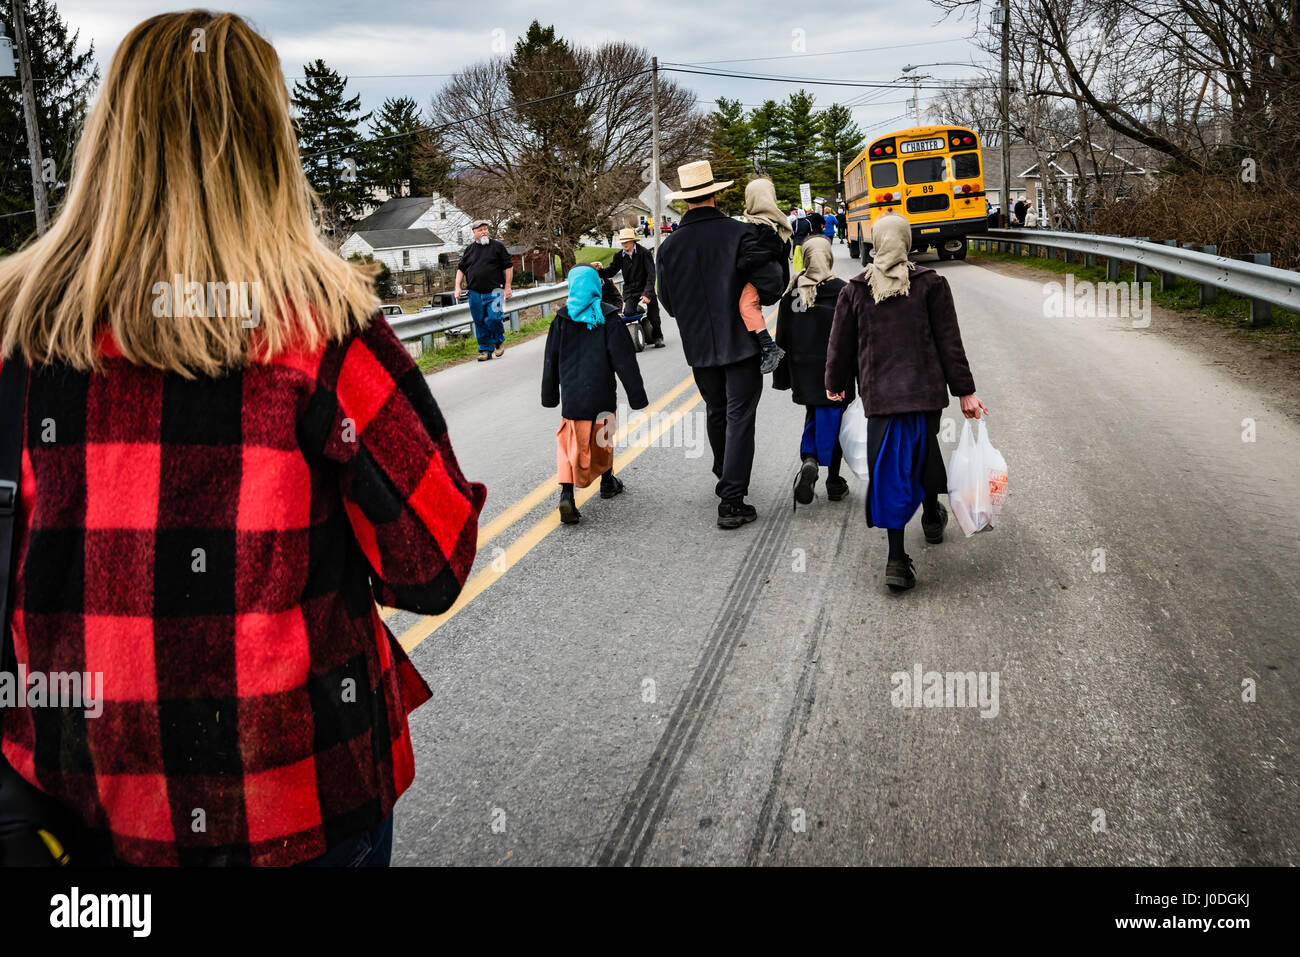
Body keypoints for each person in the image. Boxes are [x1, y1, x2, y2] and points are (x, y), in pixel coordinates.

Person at [0, 9, 486, 867]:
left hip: (78, 812)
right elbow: (432, 564)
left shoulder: (15, 334)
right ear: (267, 144)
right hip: (295, 800)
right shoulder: (318, 331)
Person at [825, 213, 986, 591]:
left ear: (876, 242)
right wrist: (965, 391)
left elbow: (841, 344)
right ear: (908, 241)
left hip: (881, 399)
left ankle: (897, 557)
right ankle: (931, 516)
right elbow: (950, 342)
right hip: (923, 395)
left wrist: (835, 383)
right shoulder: (930, 284)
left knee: (892, 471)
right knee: (923, 452)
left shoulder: (856, 289)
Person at [657, 160, 784, 529]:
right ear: (714, 193)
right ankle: (731, 500)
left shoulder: (669, 247)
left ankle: (723, 474)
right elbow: (772, 287)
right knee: (739, 417)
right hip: (741, 343)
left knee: (716, 410)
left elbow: (668, 301)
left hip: (699, 347)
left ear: (685, 202)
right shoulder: (740, 234)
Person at [541, 266, 648, 525]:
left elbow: (550, 360)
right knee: (603, 439)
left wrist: (550, 396)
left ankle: (567, 493)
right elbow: (625, 360)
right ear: (596, 286)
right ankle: (607, 481)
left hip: (573, 398)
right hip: (601, 393)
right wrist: (637, 397)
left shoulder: (562, 319)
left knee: (568, 445)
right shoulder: (608, 317)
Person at [772, 236, 850, 508]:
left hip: (803, 370)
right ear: (828, 257)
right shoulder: (844, 291)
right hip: (837, 370)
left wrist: (782, 377)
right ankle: (833, 481)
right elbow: (857, 336)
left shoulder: (793, 293)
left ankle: (810, 459)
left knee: (813, 414)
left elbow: (782, 337)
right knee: (835, 419)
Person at [737, 178, 792, 374]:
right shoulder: (777, 221)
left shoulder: (760, 226)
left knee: (746, 305)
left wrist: (741, 263)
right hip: (774, 279)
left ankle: (769, 347)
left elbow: (755, 255)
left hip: (765, 280)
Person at [592, 227, 664, 348]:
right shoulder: (619, 256)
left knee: (654, 316)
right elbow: (611, 272)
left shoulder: (644, 253)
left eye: (626, 241)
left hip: (646, 287)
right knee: (629, 313)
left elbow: (651, 275)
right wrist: (598, 271)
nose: (624, 244)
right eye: (622, 242)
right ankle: (639, 308)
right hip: (631, 290)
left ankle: (658, 337)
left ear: (632, 241)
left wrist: (647, 293)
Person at [454, 218, 513, 361]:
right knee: (479, 321)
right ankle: (485, 350)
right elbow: (461, 269)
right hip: (475, 293)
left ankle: (498, 341)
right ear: (474, 232)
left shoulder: (497, 246)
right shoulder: (469, 250)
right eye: (480, 230)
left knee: (494, 318)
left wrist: (508, 286)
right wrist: (457, 286)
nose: (484, 232)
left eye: (485, 229)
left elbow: (508, 266)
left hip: (495, 291)